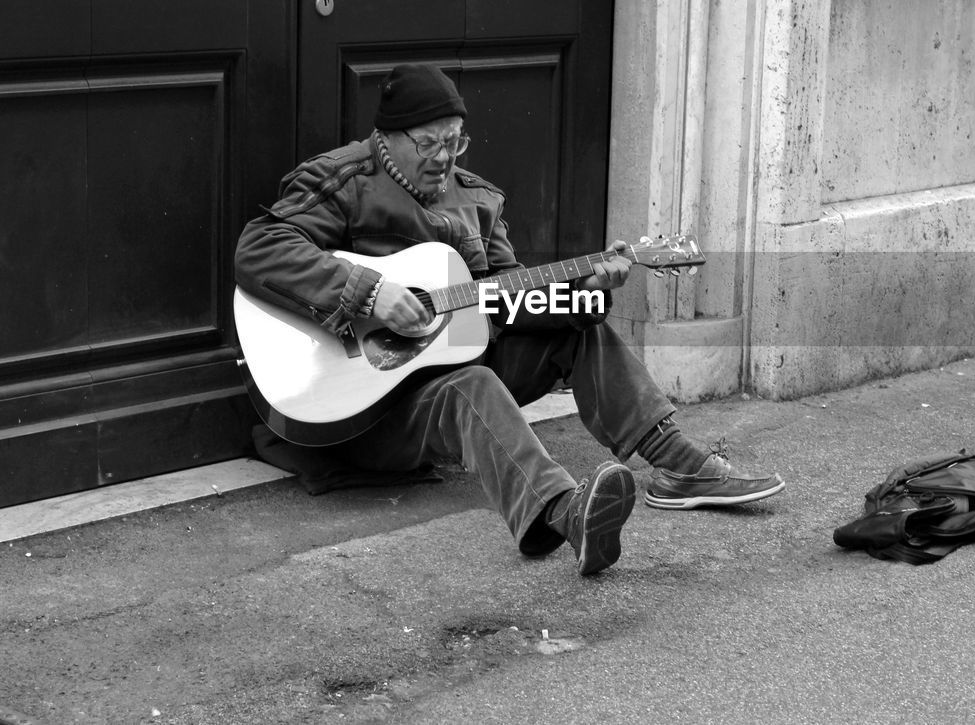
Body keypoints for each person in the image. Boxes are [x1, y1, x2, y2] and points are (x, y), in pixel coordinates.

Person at [235, 63, 784, 575]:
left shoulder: (477, 200)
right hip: (367, 411)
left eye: (455, 142)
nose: (444, 158)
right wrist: (369, 291)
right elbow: (260, 248)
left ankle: (680, 465)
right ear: (389, 138)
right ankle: (565, 514)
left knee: (582, 325)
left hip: (452, 377)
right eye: (430, 143)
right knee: (470, 384)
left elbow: (509, 303)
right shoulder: (345, 180)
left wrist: (584, 290)